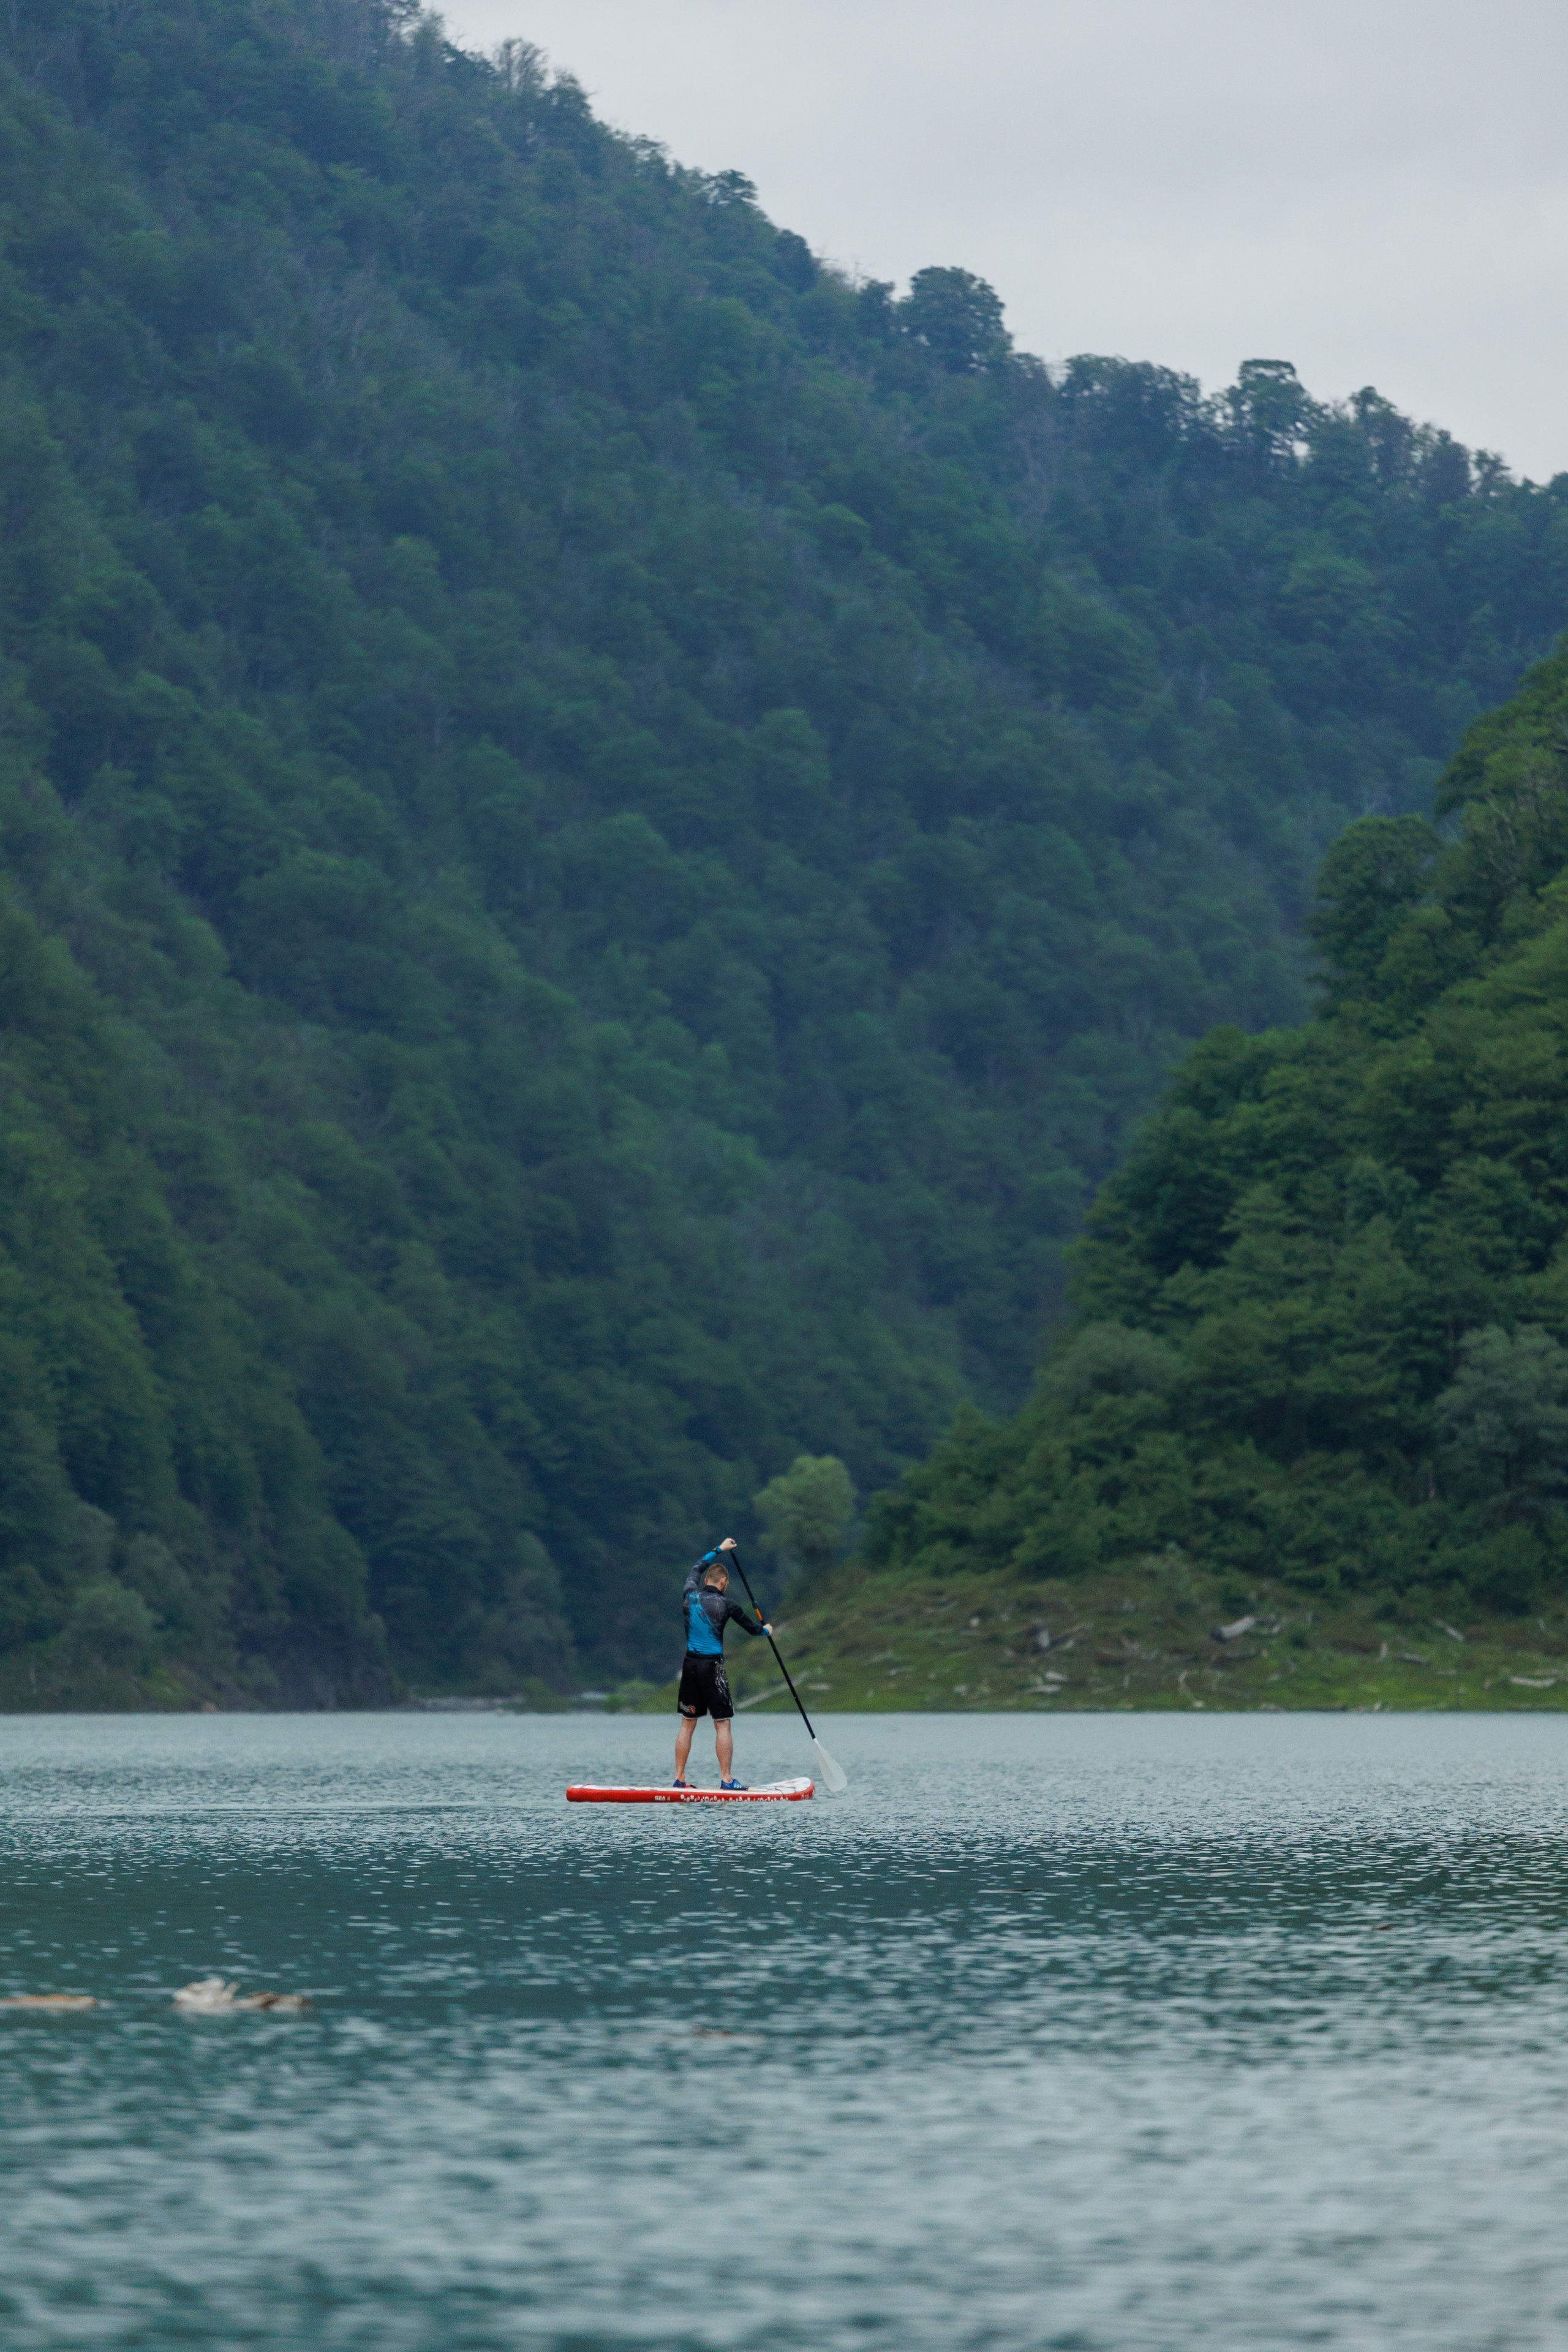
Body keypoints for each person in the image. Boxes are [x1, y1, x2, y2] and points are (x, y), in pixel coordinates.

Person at [674, 1537, 770, 1789]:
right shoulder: (727, 1604)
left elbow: (696, 1566)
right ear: (724, 1582)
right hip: (712, 1668)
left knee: (687, 1724)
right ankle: (726, 1779)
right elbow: (753, 1629)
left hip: (690, 1665)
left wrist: (719, 1549)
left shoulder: (689, 1595)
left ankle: (679, 1779)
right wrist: (767, 1630)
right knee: (722, 1723)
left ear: (706, 1580)